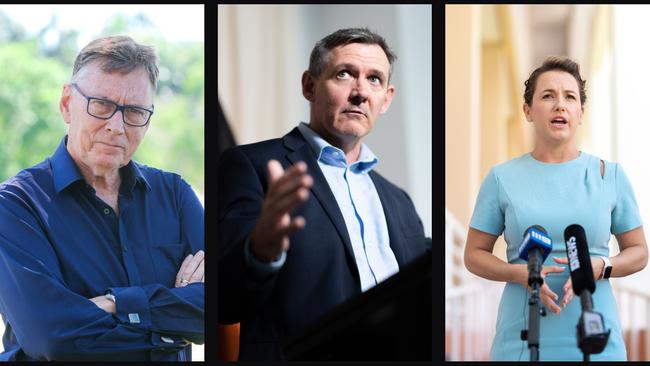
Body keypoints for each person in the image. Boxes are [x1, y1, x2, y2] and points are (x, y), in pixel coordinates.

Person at [217, 27, 428, 360]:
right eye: (345, 74)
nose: (360, 92)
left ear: (386, 99)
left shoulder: (399, 202)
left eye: (374, 79)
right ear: (309, 86)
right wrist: (260, 251)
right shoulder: (250, 165)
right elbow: (222, 302)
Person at [0, 36, 204, 361]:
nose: (116, 127)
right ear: (67, 104)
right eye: (102, 105)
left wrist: (116, 303)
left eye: (134, 111)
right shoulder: (15, 207)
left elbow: (222, 305)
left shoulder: (175, 196)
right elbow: (52, 339)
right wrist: (172, 331)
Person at [464, 56, 648, 361]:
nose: (559, 105)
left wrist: (601, 266)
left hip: (597, 337)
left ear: (581, 113)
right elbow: (473, 254)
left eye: (569, 97)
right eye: (548, 96)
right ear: (528, 111)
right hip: (521, 339)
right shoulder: (501, 177)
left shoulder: (610, 175)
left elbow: (639, 251)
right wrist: (519, 273)